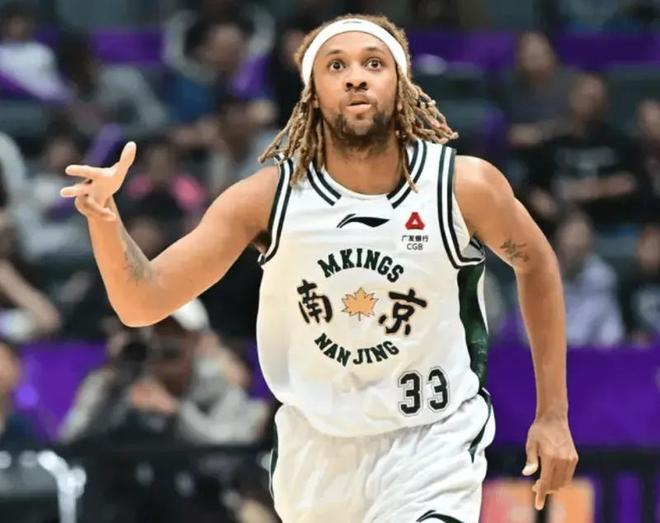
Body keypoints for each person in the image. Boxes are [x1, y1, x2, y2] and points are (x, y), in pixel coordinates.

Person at [60, 14, 578, 521]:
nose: (355, 76)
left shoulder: (462, 186)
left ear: (401, 85)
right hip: (316, 455)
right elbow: (142, 303)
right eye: (336, 65)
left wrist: (553, 415)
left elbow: (537, 265)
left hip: (430, 441)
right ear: (311, 94)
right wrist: (105, 220)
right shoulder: (268, 198)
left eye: (373, 63)